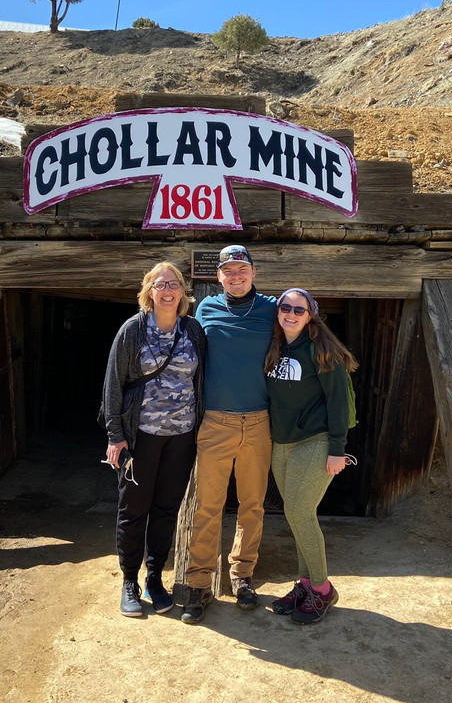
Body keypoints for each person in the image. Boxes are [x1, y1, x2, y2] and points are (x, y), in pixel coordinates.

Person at [102, 262, 206, 618]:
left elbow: (201, 380)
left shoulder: (192, 330)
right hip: (141, 436)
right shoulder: (133, 330)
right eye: (160, 284)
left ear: (182, 292)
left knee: (166, 510)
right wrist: (116, 436)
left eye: (174, 283)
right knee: (134, 509)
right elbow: (113, 385)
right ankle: (129, 581)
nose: (167, 289)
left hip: (182, 437)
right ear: (149, 291)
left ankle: (155, 578)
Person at [182, 245, 278, 624]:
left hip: (259, 422)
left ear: (253, 272)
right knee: (207, 505)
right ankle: (200, 583)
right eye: (228, 271)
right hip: (216, 422)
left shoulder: (274, 309)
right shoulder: (205, 309)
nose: (235, 276)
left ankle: (241, 576)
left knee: (252, 504)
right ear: (218, 276)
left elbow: (308, 329)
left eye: (242, 269)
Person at [264, 287, 358, 624]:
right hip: (282, 443)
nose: (290, 314)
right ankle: (304, 584)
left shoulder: (321, 351)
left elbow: (336, 402)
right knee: (295, 514)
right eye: (285, 307)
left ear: (310, 316)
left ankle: (322, 589)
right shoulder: (273, 347)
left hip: (316, 441)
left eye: (299, 310)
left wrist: (337, 450)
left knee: (300, 510)